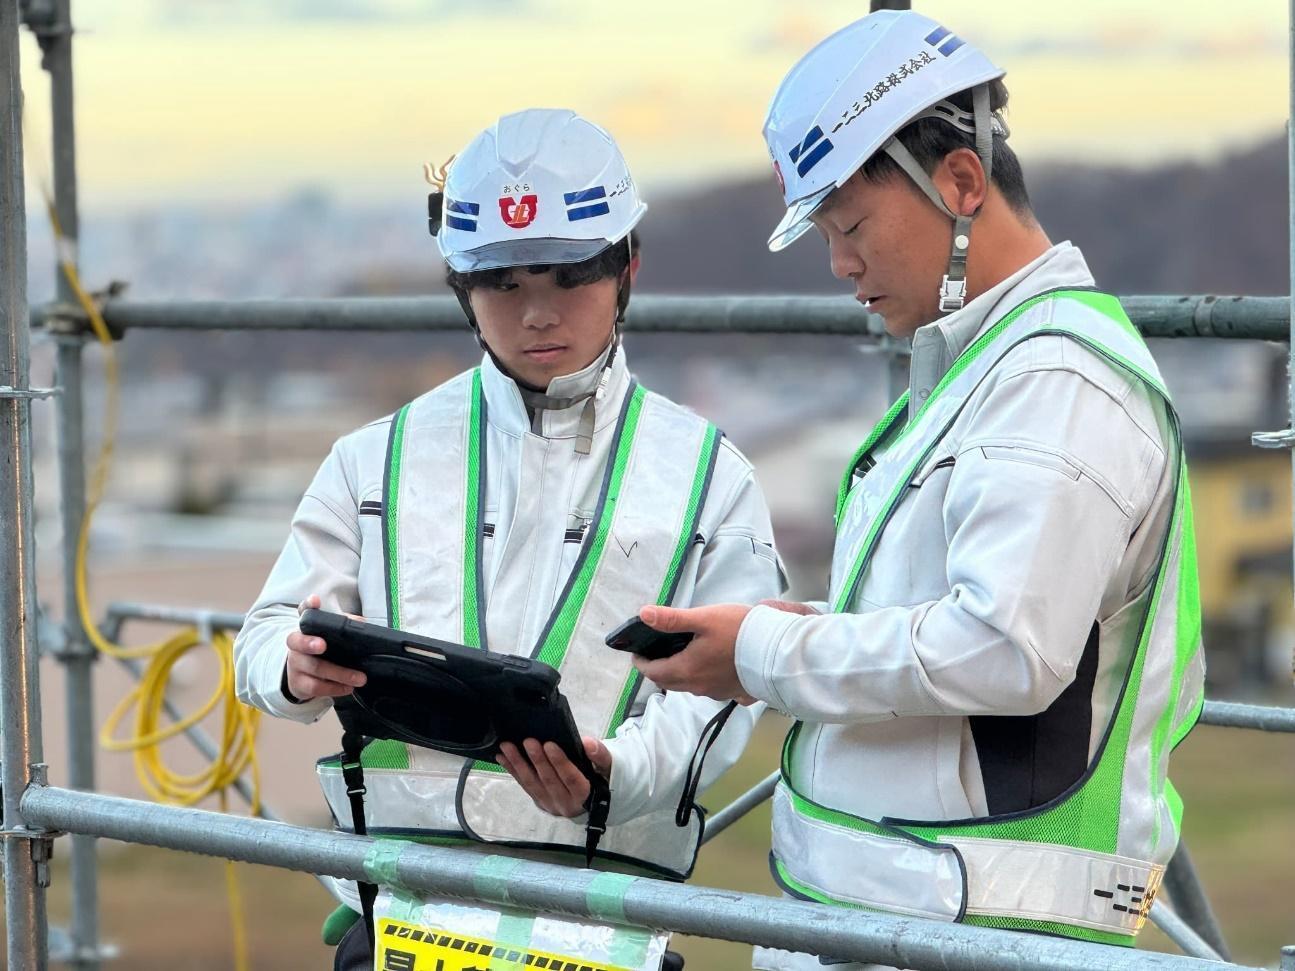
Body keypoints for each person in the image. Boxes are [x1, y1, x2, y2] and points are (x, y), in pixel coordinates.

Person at [632, 11, 1205, 970]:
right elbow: (963, 619)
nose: (840, 264)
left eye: (850, 226)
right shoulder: (988, 369)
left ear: (960, 183)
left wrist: (771, 649)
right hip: (908, 916)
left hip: (980, 927)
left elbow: (1001, 648)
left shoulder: (1054, 382)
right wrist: (789, 635)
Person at [233, 108, 785, 969]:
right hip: (401, 915)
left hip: (597, 920)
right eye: (503, 284)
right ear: (460, 286)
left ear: (625, 267)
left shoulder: (710, 474)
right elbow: (262, 636)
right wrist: (289, 667)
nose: (536, 315)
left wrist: (616, 769)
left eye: (566, 279)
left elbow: (724, 694)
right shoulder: (374, 457)